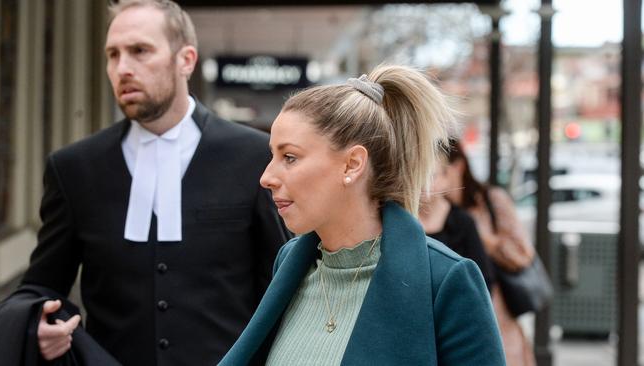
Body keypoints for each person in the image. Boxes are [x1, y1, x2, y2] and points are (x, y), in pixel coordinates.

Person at [0, 0, 289, 365]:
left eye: (139, 51)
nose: (123, 68)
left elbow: (284, 285)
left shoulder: (254, 157)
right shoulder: (74, 169)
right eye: (113, 54)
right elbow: (41, 284)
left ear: (186, 60)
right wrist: (38, 323)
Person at [219, 66, 505, 365]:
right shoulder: (291, 264)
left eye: (289, 157)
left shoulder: (446, 280)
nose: (267, 177)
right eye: (272, 156)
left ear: (352, 164)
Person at [442, 140, 536, 366]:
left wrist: (479, 235)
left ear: (459, 167)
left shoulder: (491, 200)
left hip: (496, 313)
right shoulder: (428, 210)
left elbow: (521, 254)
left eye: (441, 170)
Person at [419, 163, 495, 293]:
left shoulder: (463, 222)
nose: (425, 185)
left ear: (445, 179)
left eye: (432, 177)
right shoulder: (404, 221)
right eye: (419, 178)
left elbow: (482, 277)